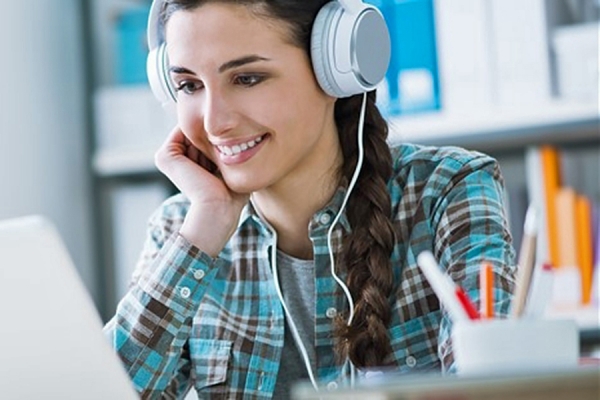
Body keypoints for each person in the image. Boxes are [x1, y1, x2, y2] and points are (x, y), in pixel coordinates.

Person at [104, 0, 517, 398]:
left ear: (336, 69)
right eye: (189, 85)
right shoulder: (182, 230)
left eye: (247, 78)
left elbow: (493, 387)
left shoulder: (446, 191)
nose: (215, 122)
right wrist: (206, 223)